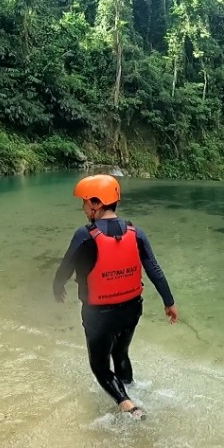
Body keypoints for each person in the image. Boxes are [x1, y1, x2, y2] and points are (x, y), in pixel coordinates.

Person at [53, 174, 179, 420]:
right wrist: (169, 302)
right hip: (131, 310)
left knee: (99, 366)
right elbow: (154, 269)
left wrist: (58, 286)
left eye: (85, 202)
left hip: (99, 314)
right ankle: (131, 389)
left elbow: (66, 267)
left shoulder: (84, 235)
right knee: (120, 354)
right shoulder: (136, 232)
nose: (83, 208)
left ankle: (128, 405)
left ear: (96, 204)